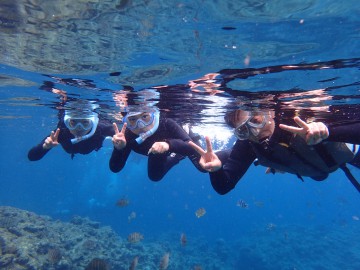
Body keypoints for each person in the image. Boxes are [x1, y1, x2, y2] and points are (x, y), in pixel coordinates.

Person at [189, 109, 360, 195]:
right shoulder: (249, 144)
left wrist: (329, 131)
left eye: (256, 121)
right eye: (243, 131)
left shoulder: (299, 115)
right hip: (317, 169)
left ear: (269, 113)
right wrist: (216, 170)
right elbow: (224, 186)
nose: (255, 133)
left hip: (349, 154)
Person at [109, 109, 205, 181]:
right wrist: (118, 149)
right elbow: (115, 168)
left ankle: (219, 155)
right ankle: (176, 156)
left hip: (184, 139)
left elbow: (191, 148)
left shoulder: (166, 123)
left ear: (153, 115)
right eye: (133, 119)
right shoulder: (127, 137)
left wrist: (168, 145)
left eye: (145, 117)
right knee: (154, 176)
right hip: (160, 153)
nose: (141, 125)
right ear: (127, 122)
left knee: (204, 167)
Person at [28, 103, 115, 161]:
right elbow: (32, 157)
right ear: (67, 122)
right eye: (73, 123)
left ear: (93, 123)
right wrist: (45, 147)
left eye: (85, 123)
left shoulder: (102, 128)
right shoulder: (60, 132)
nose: (79, 128)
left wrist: (120, 144)